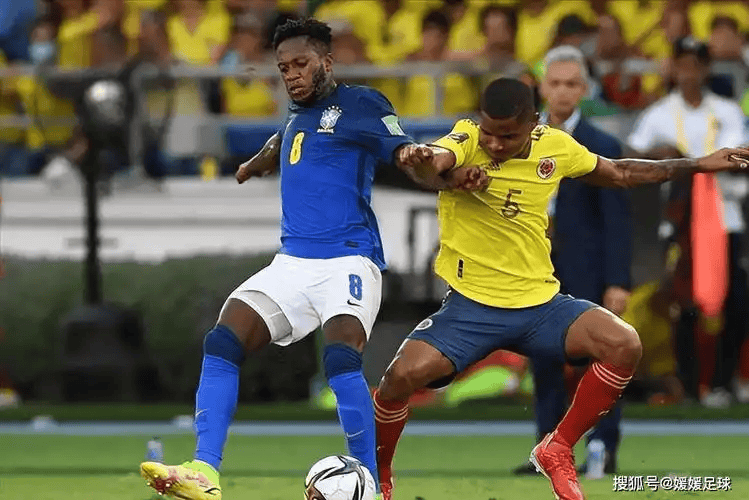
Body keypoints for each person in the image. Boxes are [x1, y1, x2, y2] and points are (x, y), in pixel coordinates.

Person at [139, 18, 485, 500]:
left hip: (349, 260)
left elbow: (401, 148)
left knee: (340, 356)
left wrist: (420, 158)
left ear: (327, 61)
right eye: (284, 68)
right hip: (292, 263)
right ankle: (205, 470)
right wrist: (256, 163)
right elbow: (285, 138)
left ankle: (369, 481)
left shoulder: (362, 104)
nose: (292, 75)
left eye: (301, 64)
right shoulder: (297, 114)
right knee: (223, 340)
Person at [372, 77, 749, 500]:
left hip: (540, 305)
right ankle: (380, 478)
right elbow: (431, 168)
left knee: (624, 344)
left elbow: (621, 172)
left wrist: (699, 164)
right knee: (397, 378)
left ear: (533, 123)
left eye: (507, 136)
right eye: (489, 132)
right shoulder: (467, 136)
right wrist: (435, 166)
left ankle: (557, 447)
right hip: (470, 309)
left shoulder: (556, 146)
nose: (494, 144)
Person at [512, 45, 632, 477]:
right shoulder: (520, 142)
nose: (562, 92)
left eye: (571, 84)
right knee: (543, 361)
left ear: (584, 89)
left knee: (602, 360)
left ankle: (603, 448)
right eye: (555, 83)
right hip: (535, 269)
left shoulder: (602, 146)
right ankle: (546, 451)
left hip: (588, 269)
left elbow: (617, 223)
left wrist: (618, 280)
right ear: (542, 87)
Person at [627, 36, 748, 407]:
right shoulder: (660, 113)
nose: (689, 73)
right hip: (678, 222)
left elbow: (741, 157)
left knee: (734, 299)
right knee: (683, 303)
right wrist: (659, 155)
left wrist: (700, 162)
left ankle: (724, 381)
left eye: (696, 65)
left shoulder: (727, 111)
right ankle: (689, 385)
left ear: (706, 69)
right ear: (674, 68)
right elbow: (632, 155)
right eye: (682, 65)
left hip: (725, 218)